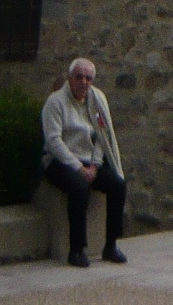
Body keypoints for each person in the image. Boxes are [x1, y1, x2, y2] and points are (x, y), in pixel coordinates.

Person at [42, 58, 128, 268]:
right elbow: (54, 141)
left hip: (89, 162)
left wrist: (95, 165)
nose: (83, 82)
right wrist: (78, 167)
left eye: (88, 78)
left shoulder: (97, 101)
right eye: (79, 77)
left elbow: (102, 136)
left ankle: (111, 245)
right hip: (60, 161)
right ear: (70, 78)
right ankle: (77, 249)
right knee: (79, 189)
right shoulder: (55, 102)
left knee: (118, 185)